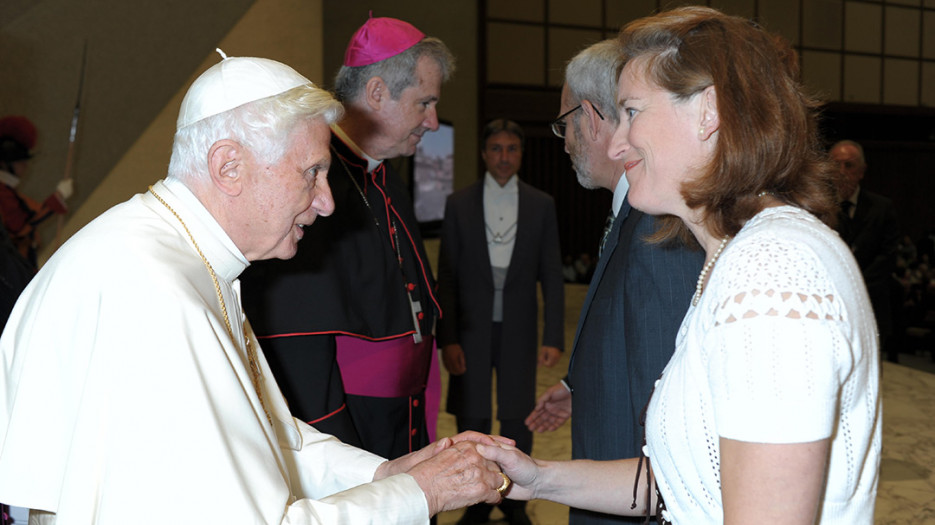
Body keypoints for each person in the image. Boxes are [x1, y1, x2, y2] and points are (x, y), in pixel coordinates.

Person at [0, 53, 512, 524]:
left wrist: (382, 474)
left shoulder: (187, 257)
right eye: (312, 172)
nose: (327, 201)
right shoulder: (155, 292)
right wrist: (419, 495)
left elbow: (264, 438)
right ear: (229, 167)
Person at [480, 7, 881, 524]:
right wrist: (539, 477)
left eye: (631, 111)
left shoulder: (772, 274)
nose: (618, 141)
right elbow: (682, 481)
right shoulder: (737, 256)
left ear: (708, 111)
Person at [240, 15, 453, 459]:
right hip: (350, 434)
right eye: (424, 103)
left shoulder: (385, 177)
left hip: (402, 419)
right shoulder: (309, 184)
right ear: (377, 93)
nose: (433, 122)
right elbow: (297, 344)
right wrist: (338, 459)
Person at [524, 39, 702, 525]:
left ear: (590, 116)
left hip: (629, 502)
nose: (563, 141)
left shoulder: (656, 229)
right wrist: (579, 383)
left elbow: (661, 396)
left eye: (564, 124)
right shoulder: (633, 214)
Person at [437, 118, 565, 525]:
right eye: (496, 148)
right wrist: (448, 339)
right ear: (484, 153)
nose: (504, 156)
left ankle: (515, 502)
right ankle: (476, 502)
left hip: (519, 326)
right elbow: (448, 278)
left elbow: (552, 275)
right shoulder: (459, 204)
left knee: (516, 414)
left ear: (521, 155)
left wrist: (553, 335)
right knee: (471, 415)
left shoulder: (540, 204)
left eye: (512, 149)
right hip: (471, 328)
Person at [830, 139, 900, 362]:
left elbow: (887, 256)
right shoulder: (817, 208)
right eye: (836, 165)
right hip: (831, 308)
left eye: (849, 166)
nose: (842, 172)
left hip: (871, 304)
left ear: (861, 171)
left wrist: (855, 285)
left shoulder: (882, 208)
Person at [0, 115, 74, 270]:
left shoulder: (8, 190)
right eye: (21, 160)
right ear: (7, 161)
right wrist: (57, 198)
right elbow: (21, 226)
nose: (26, 166)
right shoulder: (3, 192)